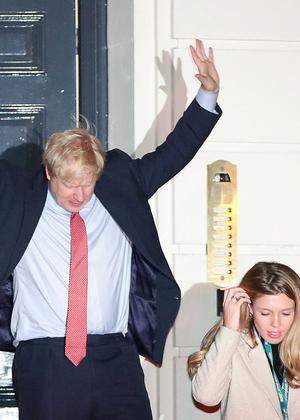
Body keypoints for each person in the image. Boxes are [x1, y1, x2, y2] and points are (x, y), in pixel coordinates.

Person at [0, 39, 221, 420]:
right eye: (69, 184)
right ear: (49, 172)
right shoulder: (17, 194)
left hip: (115, 357)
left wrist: (208, 94)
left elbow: (172, 154)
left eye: (87, 182)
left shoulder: (120, 184)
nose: (80, 194)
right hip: (46, 360)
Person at [188, 261, 300, 419]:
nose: (276, 324)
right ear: (250, 307)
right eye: (265, 313)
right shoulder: (232, 345)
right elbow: (206, 397)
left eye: (286, 313)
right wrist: (229, 331)